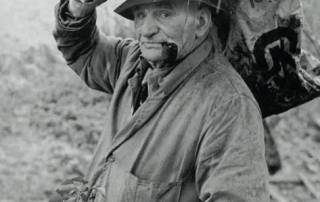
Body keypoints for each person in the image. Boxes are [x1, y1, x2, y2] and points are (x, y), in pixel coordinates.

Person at [52, 0, 270, 201]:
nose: (146, 30)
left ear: (201, 22)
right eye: (140, 15)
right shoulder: (134, 61)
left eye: (163, 14)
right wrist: (78, 9)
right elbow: (85, 51)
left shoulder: (229, 106)